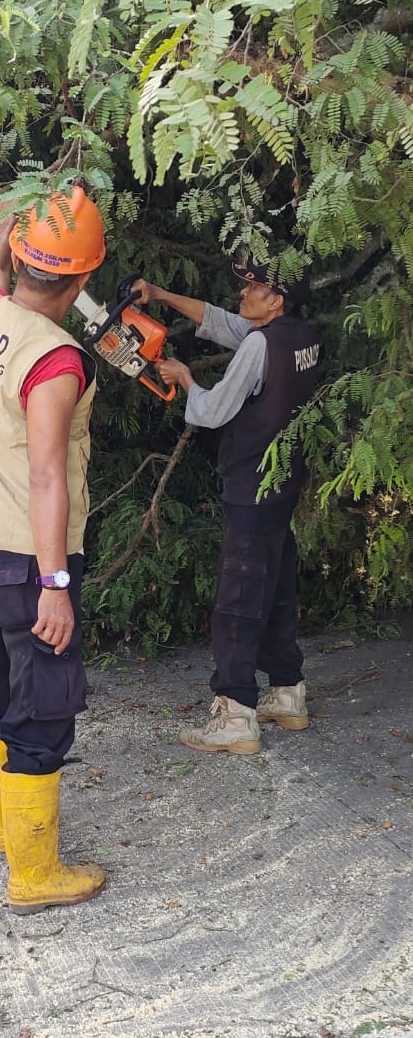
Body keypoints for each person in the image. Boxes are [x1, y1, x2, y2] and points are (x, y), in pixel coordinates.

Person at [0, 187, 107, 912]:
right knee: (40, 708)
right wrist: (55, 583)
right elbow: (48, 476)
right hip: (25, 560)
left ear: (16, 259)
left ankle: (10, 835)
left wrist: (7, 230)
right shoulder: (55, 360)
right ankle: (34, 875)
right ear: (80, 283)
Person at [132, 263, 319, 756]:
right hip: (282, 481)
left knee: (236, 601)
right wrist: (158, 291)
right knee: (277, 587)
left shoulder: (261, 345)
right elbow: (221, 321)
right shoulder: (298, 335)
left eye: (256, 287)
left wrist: (186, 379)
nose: (245, 291)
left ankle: (236, 712)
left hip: (252, 481)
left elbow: (215, 411)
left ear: (275, 301)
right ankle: (288, 692)